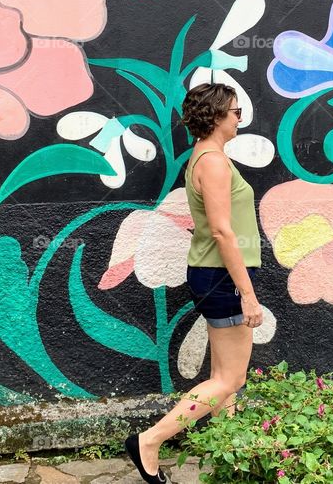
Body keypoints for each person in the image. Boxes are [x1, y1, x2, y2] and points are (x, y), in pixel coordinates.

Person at [124, 83, 264, 483]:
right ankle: (148, 442)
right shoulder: (214, 163)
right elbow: (221, 231)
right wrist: (248, 294)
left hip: (215, 274)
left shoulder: (203, 155)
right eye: (236, 112)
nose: (239, 119)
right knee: (231, 379)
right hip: (224, 276)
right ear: (217, 116)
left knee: (222, 375)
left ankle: (232, 455)